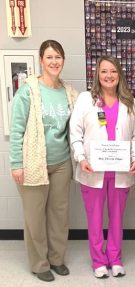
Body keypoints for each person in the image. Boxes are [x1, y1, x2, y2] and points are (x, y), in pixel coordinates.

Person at [70, 55, 135, 278]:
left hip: (120, 172)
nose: (109, 75)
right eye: (104, 71)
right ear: (97, 75)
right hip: (92, 171)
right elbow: (75, 132)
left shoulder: (129, 101)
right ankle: (98, 260)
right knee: (94, 219)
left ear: (119, 74)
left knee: (117, 218)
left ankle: (115, 257)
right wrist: (81, 158)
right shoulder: (86, 100)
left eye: (113, 71)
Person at [9, 40, 78, 282]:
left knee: (59, 215)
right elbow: (16, 129)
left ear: (63, 60)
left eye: (58, 57)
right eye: (49, 57)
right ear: (40, 60)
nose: (54, 62)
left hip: (61, 163)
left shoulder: (69, 93)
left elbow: (80, 124)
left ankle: (57, 259)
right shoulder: (28, 90)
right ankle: (40, 264)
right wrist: (16, 164)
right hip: (33, 162)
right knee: (35, 217)